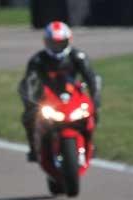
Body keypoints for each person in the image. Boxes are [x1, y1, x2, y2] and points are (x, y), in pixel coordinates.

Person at [18, 21, 100, 163]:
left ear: (69, 41)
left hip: (72, 96)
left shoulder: (78, 57)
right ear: (46, 42)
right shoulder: (38, 60)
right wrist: (30, 102)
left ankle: (90, 144)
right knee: (28, 117)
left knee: (92, 113)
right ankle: (33, 148)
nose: (56, 47)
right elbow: (28, 82)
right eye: (53, 43)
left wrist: (95, 98)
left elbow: (92, 78)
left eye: (60, 43)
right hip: (46, 97)